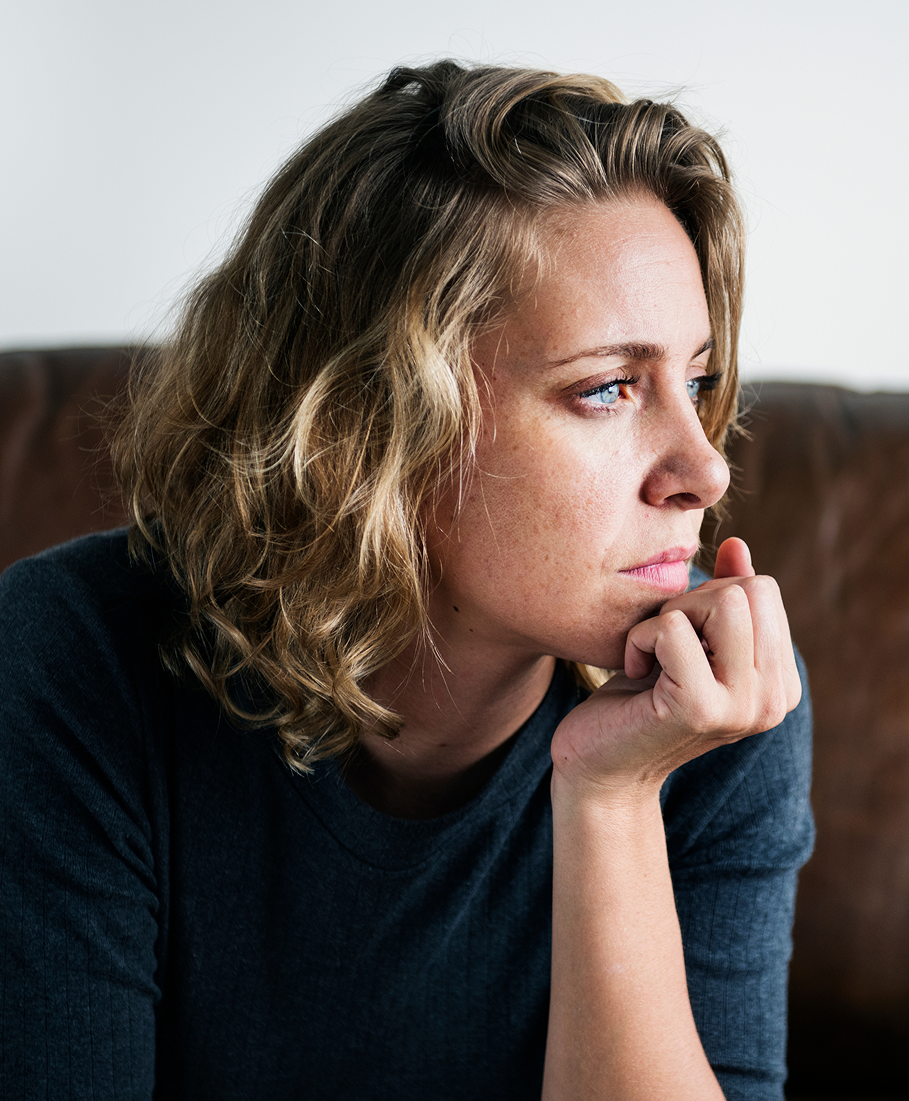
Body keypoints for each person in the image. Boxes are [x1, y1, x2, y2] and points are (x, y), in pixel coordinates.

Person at [0, 60, 813, 1100]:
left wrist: (611, 796)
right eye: (608, 389)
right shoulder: (77, 657)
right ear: (369, 423)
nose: (707, 469)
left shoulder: (713, 699)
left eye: (695, 381)